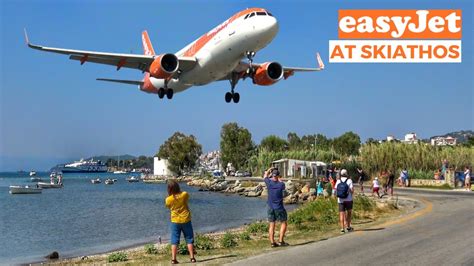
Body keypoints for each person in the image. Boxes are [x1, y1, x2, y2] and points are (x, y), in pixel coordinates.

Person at [165, 180, 196, 264]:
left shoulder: (168, 199)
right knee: (189, 238)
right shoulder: (184, 194)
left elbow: (168, 207)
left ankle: (173, 259)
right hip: (186, 219)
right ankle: (192, 257)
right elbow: (186, 198)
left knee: (174, 240)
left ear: (169, 189)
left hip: (175, 221)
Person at [263, 167, 288, 247]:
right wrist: (279, 178)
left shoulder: (269, 183)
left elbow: (265, 176)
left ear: (272, 175)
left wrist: (270, 169)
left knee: (271, 224)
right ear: (278, 176)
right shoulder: (281, 185)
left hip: (270, 207)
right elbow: (281, 182)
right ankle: (281, 241)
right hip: (279, 207)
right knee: (283, 222)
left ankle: (272, 243)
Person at [335, 169, 354, 233]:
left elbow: (335, 190)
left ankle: (342, 229)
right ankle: (348, 227)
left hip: (340, 200)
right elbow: (352, 191)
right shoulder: (349, 180)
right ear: (346, 174)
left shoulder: (338, 181)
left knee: (341, 214)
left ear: (341, 174)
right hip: (348, 199)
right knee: (349, 213)